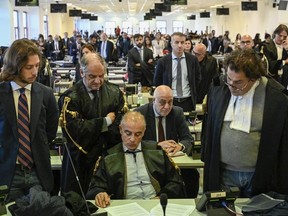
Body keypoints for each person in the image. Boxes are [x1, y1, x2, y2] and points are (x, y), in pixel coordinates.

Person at [202, 48, 288, 198]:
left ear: (254, 78)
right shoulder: (218, 87)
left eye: (238, 82)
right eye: (229, 79)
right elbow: (208, 127)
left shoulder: (276, 98)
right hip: (223, 174)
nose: (231, 86)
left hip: (259, 176)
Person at [0, 39, 59, 203]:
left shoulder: (46, 94)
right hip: (8, 173)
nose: (35, 72)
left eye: (37, 65)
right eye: (29, 67)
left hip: (38, 172)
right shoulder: (1, 93)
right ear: (15, 67)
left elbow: (50, 132)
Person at [58, 52, 125, 195]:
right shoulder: (69, 98)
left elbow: (121, 127)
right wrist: (105, 122)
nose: (98, 81)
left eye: (101, 76)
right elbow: (75, 131)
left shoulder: (115, 93)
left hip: (109, 160)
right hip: (80, 162)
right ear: (81, 72)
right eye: (92, 76)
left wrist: (92, 127)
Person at [86, 111, 185, 207]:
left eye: (138, 134)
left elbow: (175, 182)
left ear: (144, 132)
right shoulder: (108, 157)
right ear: (121, 129)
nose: (132, 139)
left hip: (155, 204)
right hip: (124, 206)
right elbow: (96, 186)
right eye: (128, 133)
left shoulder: (157, 151)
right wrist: (99, 193)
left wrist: (161, 197)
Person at [135, 85, 200, 198]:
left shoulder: (177, 112)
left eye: (170, 102)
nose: (167, 106)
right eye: (162, 102)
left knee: (192, 174)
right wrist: (157, 145)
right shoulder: (140, 114)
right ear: (153, 100)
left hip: (172, 160)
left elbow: (188, 139)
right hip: (149, 160)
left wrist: (180, 146)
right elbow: (134, 142)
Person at [154, 32, 201, 112]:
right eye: (176, 42)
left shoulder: (192, 60)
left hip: (188, 101)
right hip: (170, 102)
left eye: (182, 42)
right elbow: (157, 82)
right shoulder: (163, 62)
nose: (180, 45)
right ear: (171, 44)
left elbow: (197, 79)